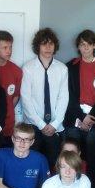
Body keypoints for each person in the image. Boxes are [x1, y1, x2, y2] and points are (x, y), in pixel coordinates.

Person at [21, 27, 69, 167]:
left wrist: (55, 123)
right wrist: (41, 125)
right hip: (34, 125)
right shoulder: (28, 68)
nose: (48, 47)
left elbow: (63, 98)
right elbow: (26, 99)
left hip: (55, 126)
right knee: (32, 164)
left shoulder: (62, 69)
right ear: (38, 46)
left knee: (52, 164)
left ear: (55, 46)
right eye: (44, 44)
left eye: (51, 44)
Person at [64, 30, 95, 159]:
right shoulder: (71, 66)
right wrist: (82, 117)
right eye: (82, 44)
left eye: (89, 44)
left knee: (93, 151)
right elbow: (68, 94)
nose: (86, 47)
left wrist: (91, 117)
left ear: (94, 46)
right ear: (78, 47)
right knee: (72, 151)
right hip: (75, 115)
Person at [0, 30, 22, 146]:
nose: (9, 51)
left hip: (8, 127)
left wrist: (5, 111)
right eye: (5, 47)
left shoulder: (16, 71)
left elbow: (15, 97)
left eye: (10, 47)